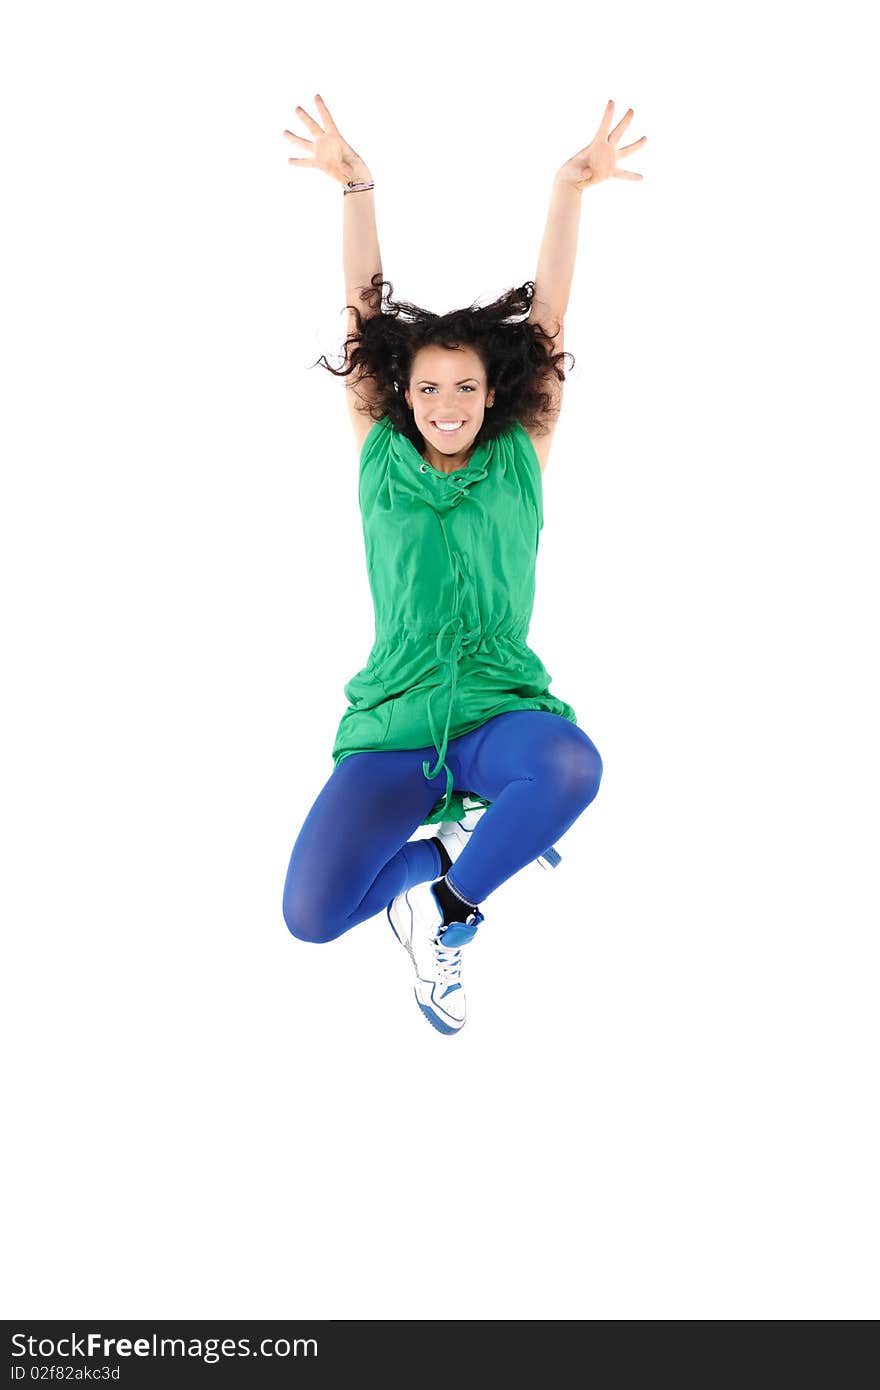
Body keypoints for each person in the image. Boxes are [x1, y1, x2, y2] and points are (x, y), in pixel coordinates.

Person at [280, 94, 646, 1034]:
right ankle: (431, 863)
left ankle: (449, 917)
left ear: (495, 396)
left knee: (570, 766)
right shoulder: (381, 459)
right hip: (397, 719)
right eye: (430, 386)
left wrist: (570, 188)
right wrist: (356, 185)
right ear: (403, 393)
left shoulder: (520, 457)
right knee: (311, 919)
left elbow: (552, 315)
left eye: (467, 387)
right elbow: (363, 311)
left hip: (492, 708)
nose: (447, 402)